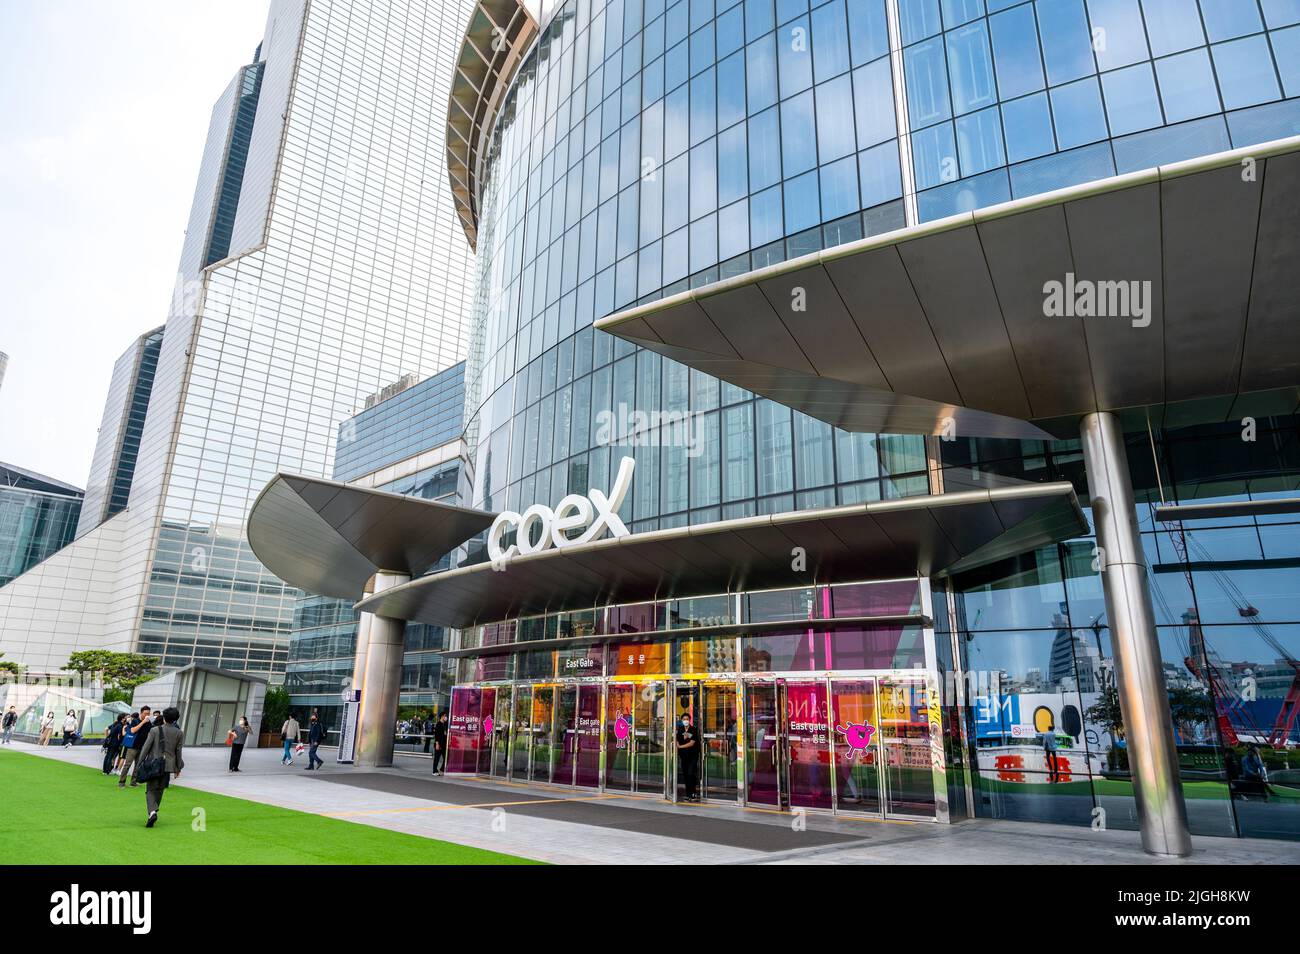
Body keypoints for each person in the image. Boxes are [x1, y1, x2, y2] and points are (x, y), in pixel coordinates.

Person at [137, 706, 184, 828]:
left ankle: (152, 812)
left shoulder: (154, 730)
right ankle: (154, 810)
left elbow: (146, 748)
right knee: (160, 789)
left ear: (164, 717)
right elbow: (178, 751)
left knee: (150, 789)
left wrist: (139, 763)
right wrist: (178, 768)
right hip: (168, 765)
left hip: (154, 764)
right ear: (175, 719)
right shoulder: (179, 733)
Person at [119, 706, 153, 788]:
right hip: (132, 746)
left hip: (142, 747)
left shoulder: (149, 723)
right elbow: (132, 730)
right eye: (145, 713)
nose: (147, 715)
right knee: (127, 764)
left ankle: (133, 782)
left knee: (138, 765)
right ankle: (121, 782)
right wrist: (143, 722)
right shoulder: (135, 721)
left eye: (148, 713)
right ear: (141, 713)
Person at [676, 712, 702, 802]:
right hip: (684, 756)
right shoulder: (680, 729)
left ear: (689, 720)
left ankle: (694, 794)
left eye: (687, 719)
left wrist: (680, 746)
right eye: (684, 719)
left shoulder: (693, 729)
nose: (685, 721)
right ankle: (688, 794)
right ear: (682, 720)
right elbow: (677, 739)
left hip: (693, 756)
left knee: (691, 774)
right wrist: (678, 744)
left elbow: (692, 743)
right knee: (686, 775)